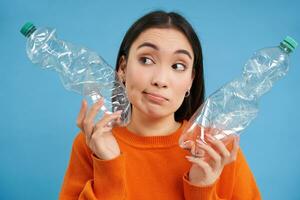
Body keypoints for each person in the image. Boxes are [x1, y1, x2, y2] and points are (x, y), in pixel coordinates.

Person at [59, 10, 261, 200]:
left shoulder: (215, 149)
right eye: (146, 60)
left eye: (178, 66)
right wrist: (109, 167)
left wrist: (201, 190)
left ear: (190, 80)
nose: (160, 80)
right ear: (122, 68)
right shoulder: (92, 143)